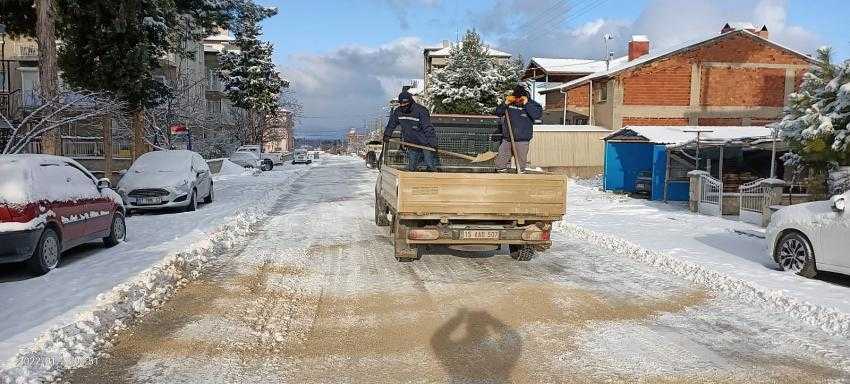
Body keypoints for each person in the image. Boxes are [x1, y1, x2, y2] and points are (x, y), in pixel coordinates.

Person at [383, 90, 439, 171]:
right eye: (401, 104)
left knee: (429, 163)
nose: (404, 106)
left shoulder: (421, 111)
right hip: (412, 144)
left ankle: (435, 179)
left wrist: (432, 143)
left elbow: (428, 128)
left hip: (426, 144)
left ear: (410, 102)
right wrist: (387, 135)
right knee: (412, 167)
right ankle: (413, 181)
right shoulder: (398, 112)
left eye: (406, 104)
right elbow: (391, 124)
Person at [494, 85, 543, 173]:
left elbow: (536, 115)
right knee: (501, 162)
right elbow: (498, 112)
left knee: (520, 165)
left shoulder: (533, 104)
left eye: (519, 98)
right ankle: (501, 175)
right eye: (515, 98)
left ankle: (520, 178)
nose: (517, 100)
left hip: (522, 139)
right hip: (507, 138)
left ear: (524, 97)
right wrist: (505, 103)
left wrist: (526, 104)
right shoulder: (509, 103)